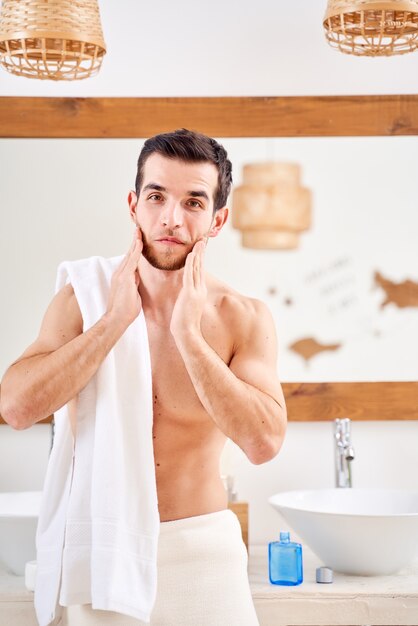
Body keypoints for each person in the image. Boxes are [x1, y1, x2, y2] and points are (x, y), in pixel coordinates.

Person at [1, 128, 287, 625]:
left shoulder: (242, 317)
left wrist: (189, 338)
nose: (171, 218)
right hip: (102, 555)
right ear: (134, 204)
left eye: (193, 202)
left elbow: (263, 442)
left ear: (217, 220)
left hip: (203, 555)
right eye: (156, 197)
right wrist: (113, 322)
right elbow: (16, 408)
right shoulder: (84, 298)